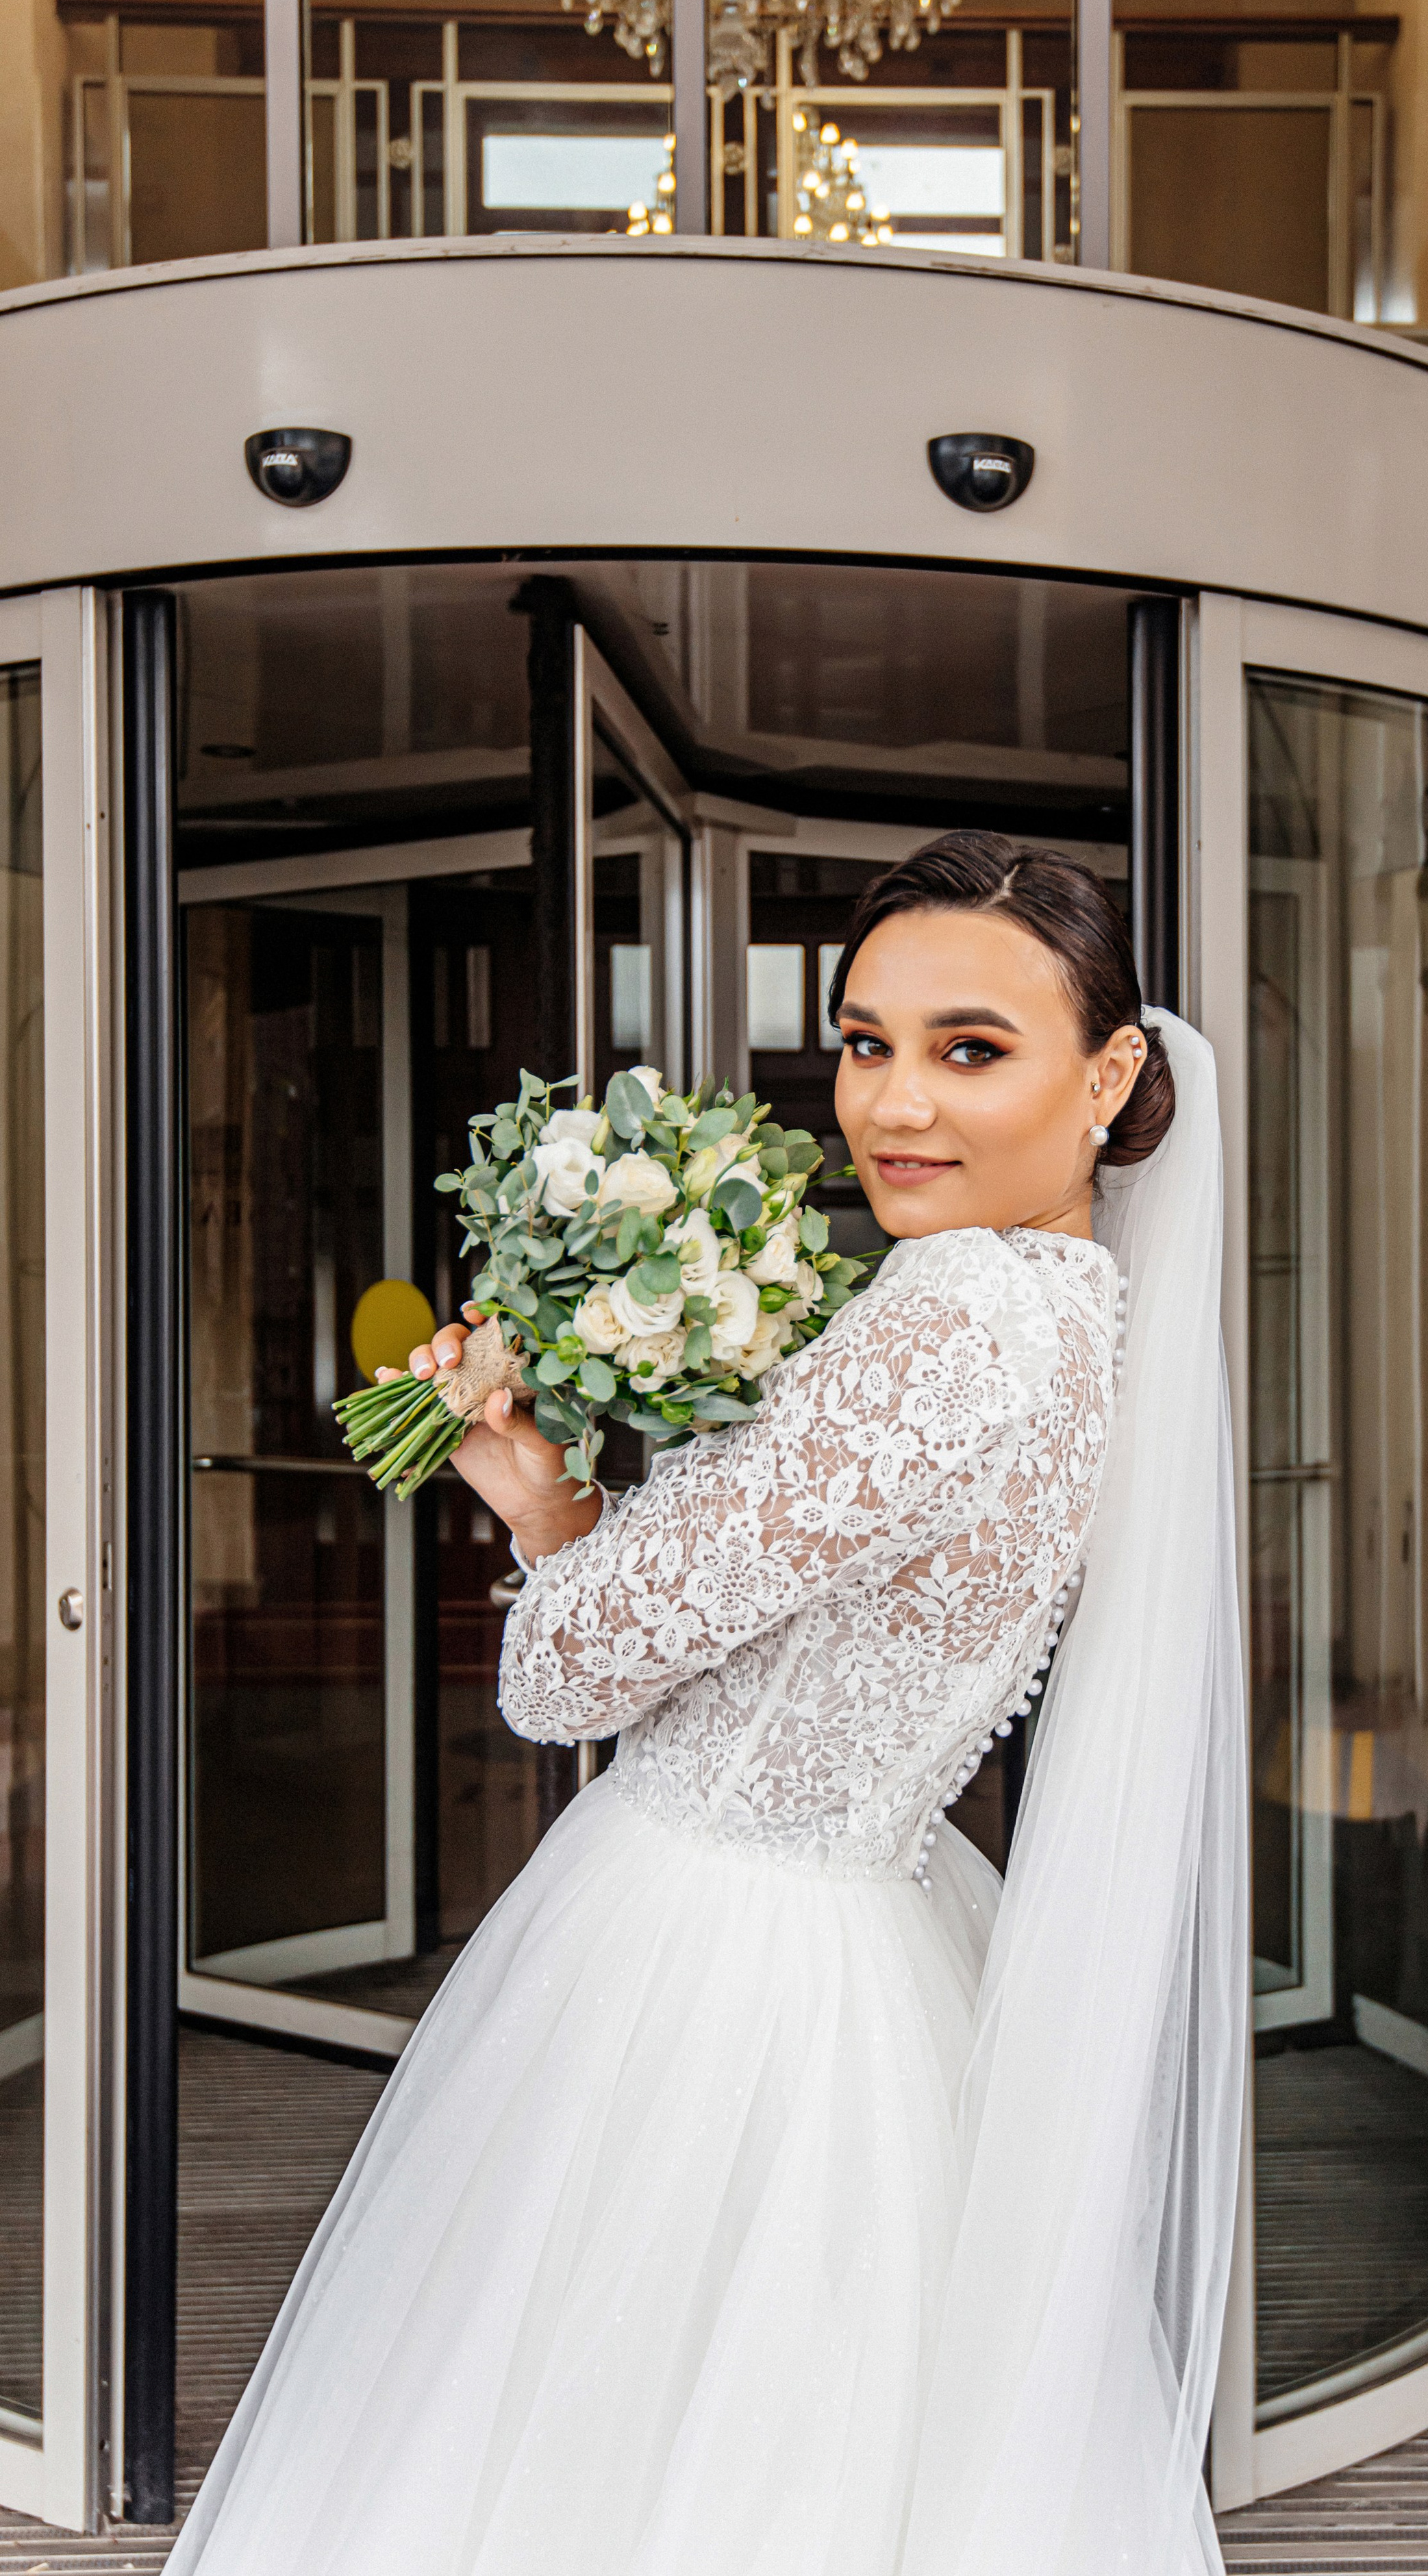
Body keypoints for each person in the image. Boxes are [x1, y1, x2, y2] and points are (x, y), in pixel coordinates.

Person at [166, 831, 1247, 2576]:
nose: (893, 1102)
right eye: (864, 1041)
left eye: (970, 1048)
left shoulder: (951, 1318)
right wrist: (570, 1492)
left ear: (1109, 1075)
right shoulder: (1079, 1320)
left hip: (722, 1958)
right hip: (868, 1921)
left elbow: (566, 1672)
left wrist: (546, 1520)